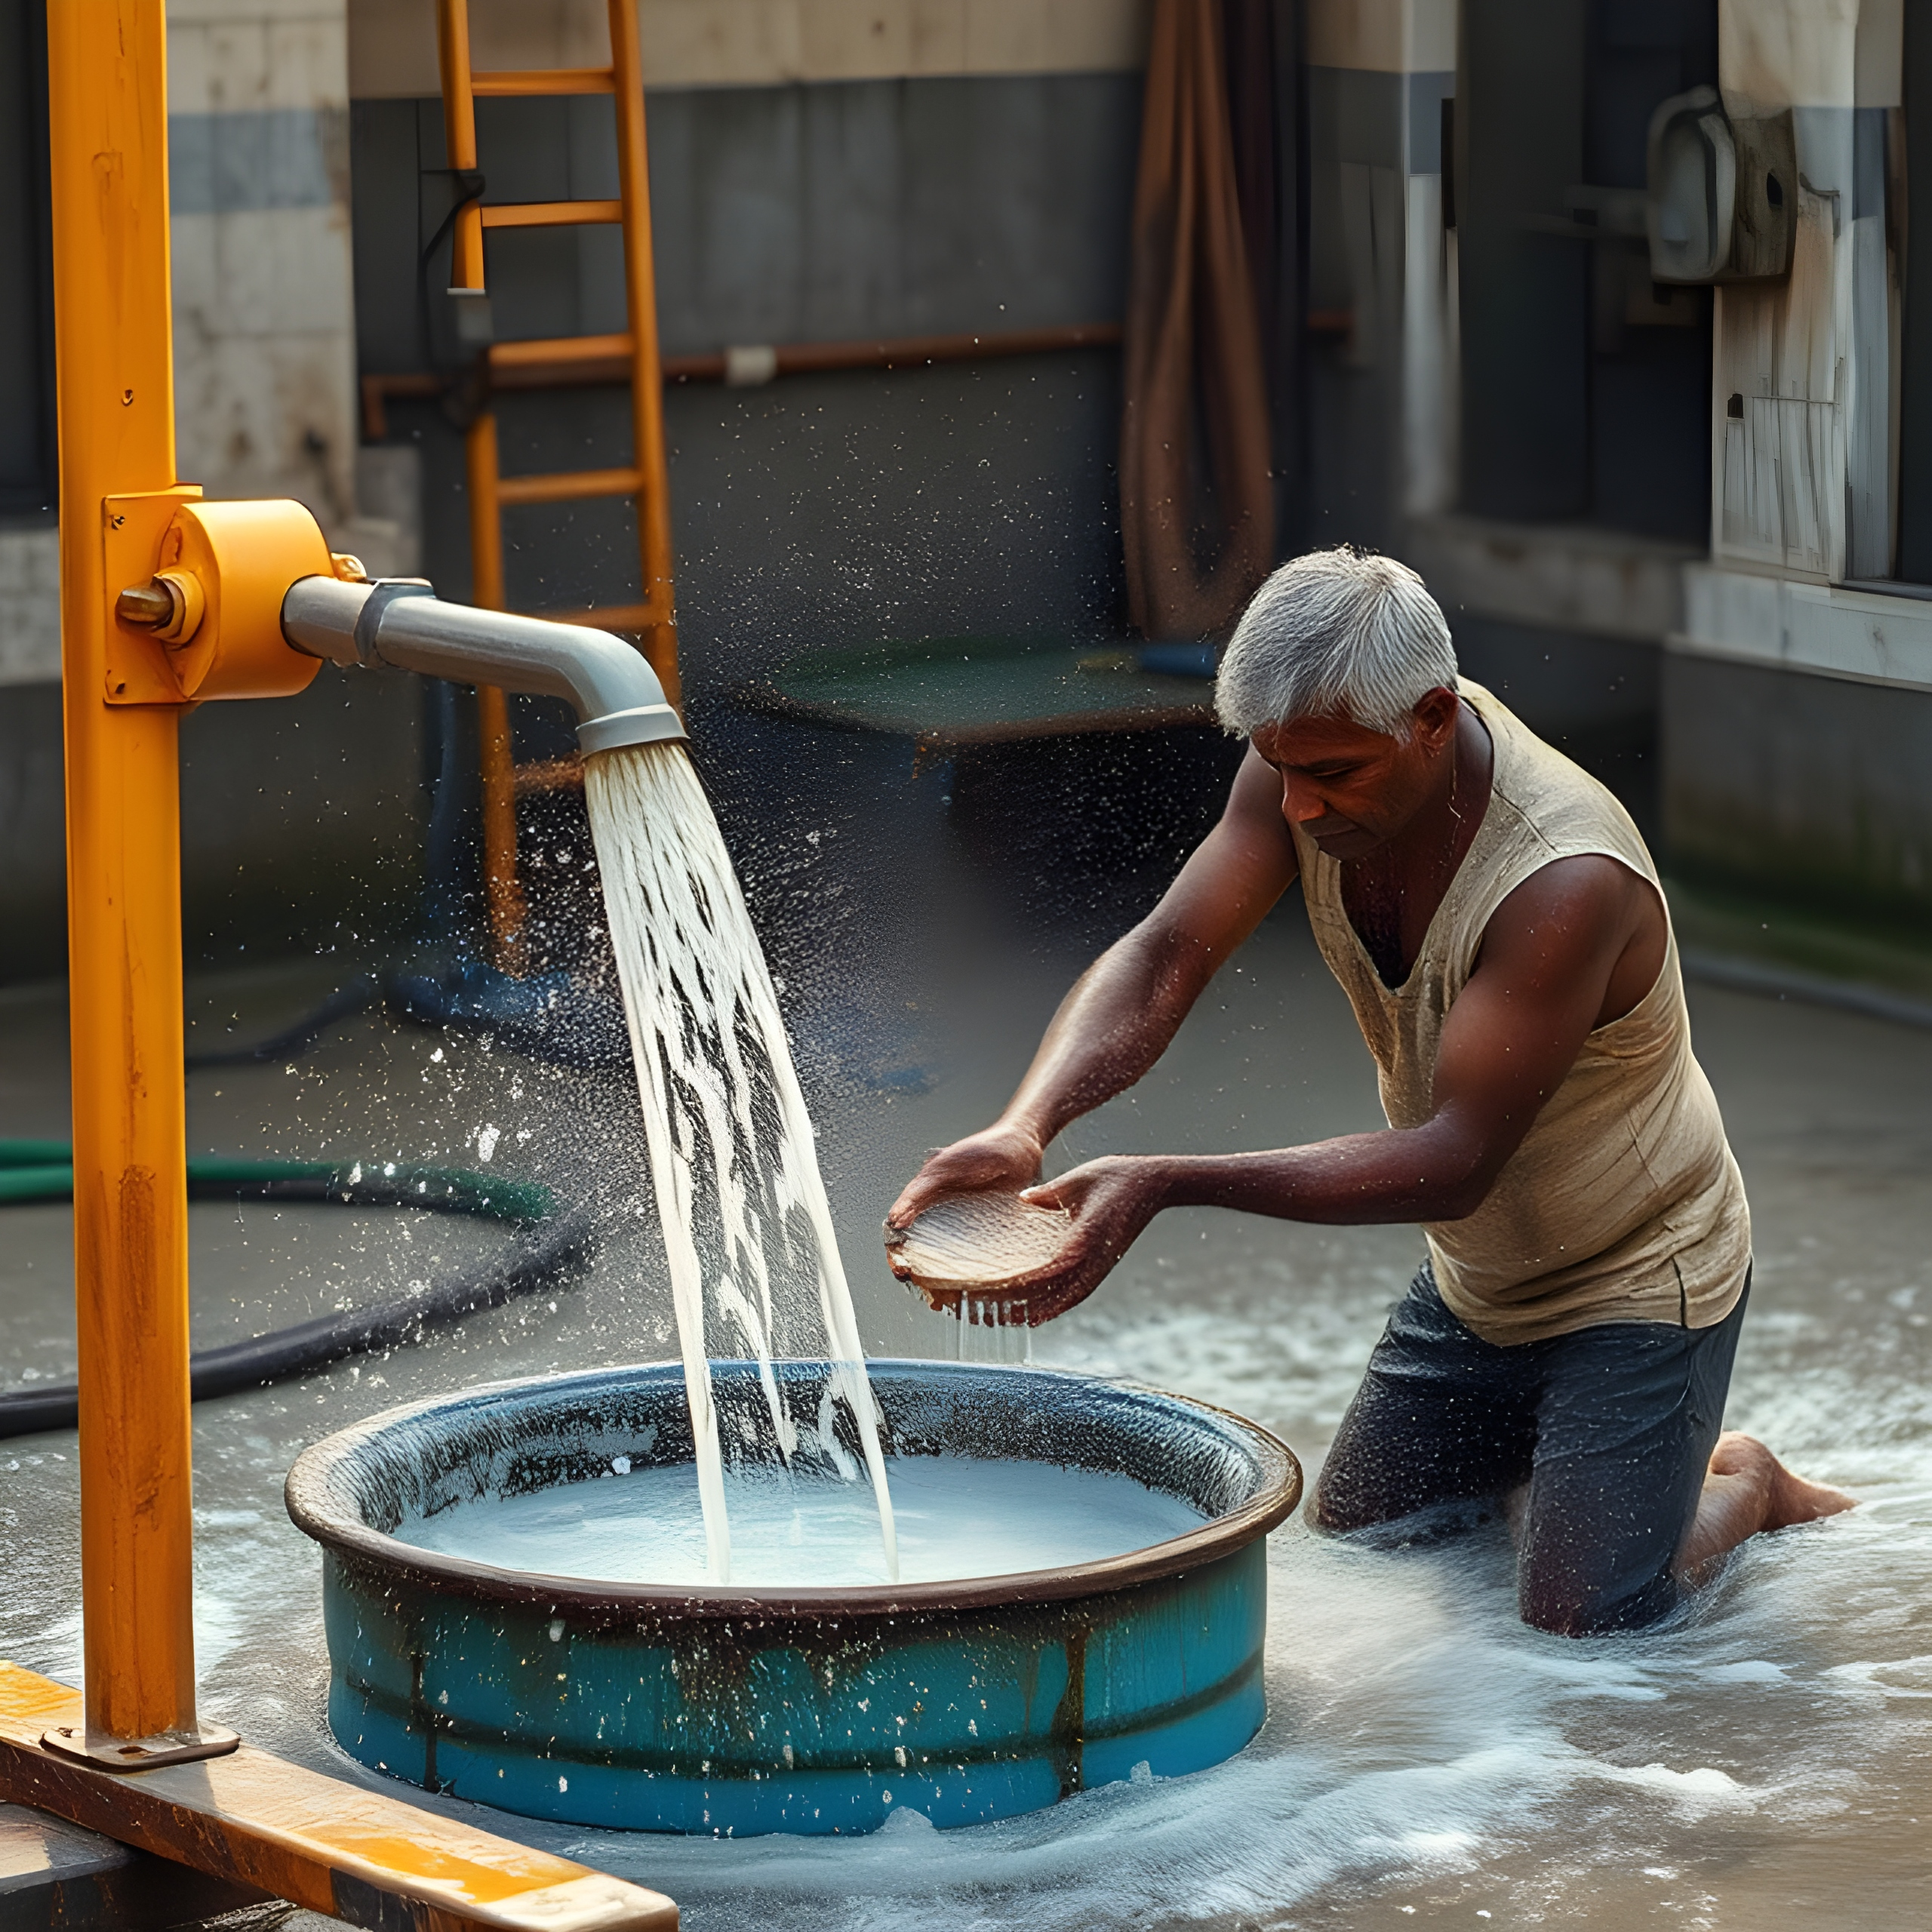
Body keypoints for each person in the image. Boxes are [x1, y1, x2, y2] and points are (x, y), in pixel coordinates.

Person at [888, 547, 1852, 1635]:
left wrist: (1162, 1181)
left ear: (1433, 719)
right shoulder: (1308, 757)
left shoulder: (1561, 881)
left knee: (1586, 1632)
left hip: (1634, 1271)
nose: (1298, 806)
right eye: (1277, 768)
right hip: (1481, 1276)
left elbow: (1454, 1159)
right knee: (1367, 1556)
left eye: (1334, 776)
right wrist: (1028, 1127)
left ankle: (1743, 1485)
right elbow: (1166, 956)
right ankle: (1589, 1475)